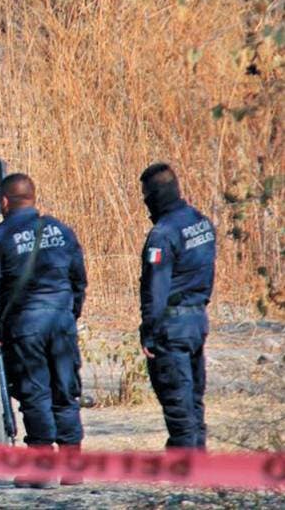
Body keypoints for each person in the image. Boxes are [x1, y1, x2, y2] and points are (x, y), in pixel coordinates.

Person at [0, 173, 87, 485]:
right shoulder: (63, 231)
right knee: (65, 389)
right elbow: (79, 279)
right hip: (61, 322)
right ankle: (72, 464)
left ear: (4, 202)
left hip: (25, 326)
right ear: (33, 198)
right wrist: (69, 315)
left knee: (34, 391)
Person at [138, 163, 216, 449]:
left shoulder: (163, 234)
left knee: (177, 400)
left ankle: (185, 467)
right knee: (194, 398)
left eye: (146, 196)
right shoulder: (201, 222)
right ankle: (198, 457)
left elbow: (155, 289)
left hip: (172, 327)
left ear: (155, 196)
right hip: (197, 319)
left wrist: (149, 331)